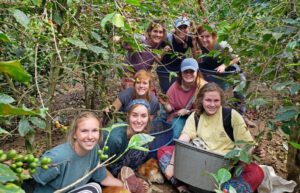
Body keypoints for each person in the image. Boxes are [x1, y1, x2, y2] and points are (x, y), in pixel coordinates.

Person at [159, 83, 264, 193]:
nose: (212, 104)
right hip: (198, 166)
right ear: (201, 100)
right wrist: (172, 164)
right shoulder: (196, 117)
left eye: (216, 101)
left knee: (257, 172)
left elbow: (246, 144)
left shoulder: (231, 116)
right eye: (208, 100)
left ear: (221, 101)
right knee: (163, 151)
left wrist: (255, 151)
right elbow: (182, 141)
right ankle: (182, 187)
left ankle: (226, 190)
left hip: (224, 170)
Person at [33, 112, 124, 193]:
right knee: (93, 189)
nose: (90, 136)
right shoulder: (57, 157)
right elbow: (30, 177)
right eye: (84, 131)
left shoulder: (94, 149)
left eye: (94, 131)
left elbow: (104, 178)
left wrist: (126, 186)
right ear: (74, 134)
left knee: (95, 187)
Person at [195, 25, 247, 115]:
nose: (204, 39)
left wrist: (224, 65)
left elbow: (236, 58)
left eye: (207, 36)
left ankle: (240, 114)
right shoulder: (201, 43)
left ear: (213, 36)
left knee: (240, 88)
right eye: (202, 36)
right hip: (213, 68)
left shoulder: (221, 44)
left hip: (230, 67)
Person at [102, 99, 152, 193]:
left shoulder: (142, 137)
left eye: (143, 116)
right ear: (128, 116)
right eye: (134, 115)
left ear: (148, 118)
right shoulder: (115, 138)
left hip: (124, 169)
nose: (139, 120)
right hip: (105, 173)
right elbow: (99, 167)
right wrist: (119, 184)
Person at [160, 58, 206, 139]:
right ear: (181, 73)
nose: (188, 74)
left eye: (191, 71)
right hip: (179, 116)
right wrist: (165, 104)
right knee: (175, 135)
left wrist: (188, 112)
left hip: (198, 116)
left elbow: (205, 109)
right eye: (185, 71)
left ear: (197, 72)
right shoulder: (174, 87)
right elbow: (169, 109)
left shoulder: (202, 86)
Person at [157, 16, 197, 93]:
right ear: (175, 28)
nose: (182, 30)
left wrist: (194, 45)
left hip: (179, 66)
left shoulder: (189, 38)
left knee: (179, 90)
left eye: (184, 27)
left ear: (188, 29)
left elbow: (196, 59)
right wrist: (164, 52)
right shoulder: (168, 38)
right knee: (167, 90)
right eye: (180, 27)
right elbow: (157, 60)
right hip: (166, 68)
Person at [122, 20, 167, 88]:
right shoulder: (141, 40)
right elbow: (124, 43)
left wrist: (164, 51)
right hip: (129, 74)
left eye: (160, 32)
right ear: (149, 32)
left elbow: (156, 60)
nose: (158, 34)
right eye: (155, 31)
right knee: (130, 94)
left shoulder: (159, 44)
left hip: (143, 74)